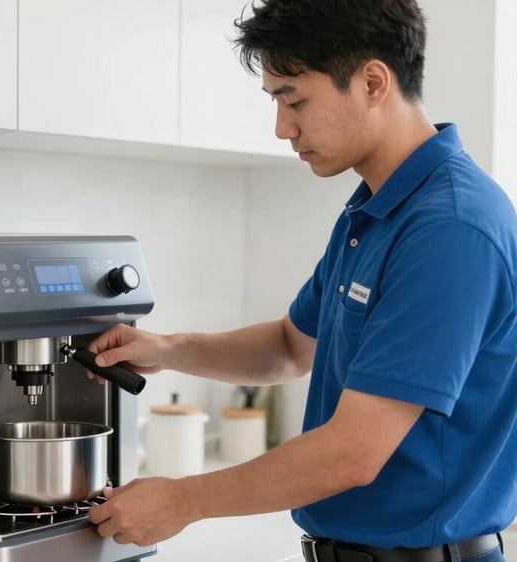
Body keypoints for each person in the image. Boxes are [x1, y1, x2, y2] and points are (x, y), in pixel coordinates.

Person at [85, 1, 517, 561]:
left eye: (295, 98)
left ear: (372, 81)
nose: (283, 127)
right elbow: (292, 346)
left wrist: (183, 500)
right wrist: (169, 349)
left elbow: (352, 454)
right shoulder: (375, 211)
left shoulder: (449, 228)